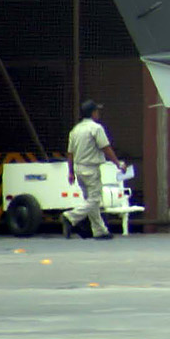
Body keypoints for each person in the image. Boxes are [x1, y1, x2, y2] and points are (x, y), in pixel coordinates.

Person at [64, 99, 125, 239]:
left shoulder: (75, 130)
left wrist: (71, 172)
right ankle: (70, 217)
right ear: (93, 113)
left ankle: (99, 230)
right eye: (97, 111)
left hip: (78, 169)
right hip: (91, 169)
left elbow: (70, 153)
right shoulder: (96, 128)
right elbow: (106, 147)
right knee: (95, 200)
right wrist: (118, 163)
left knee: (90, 200)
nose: (98, 113)